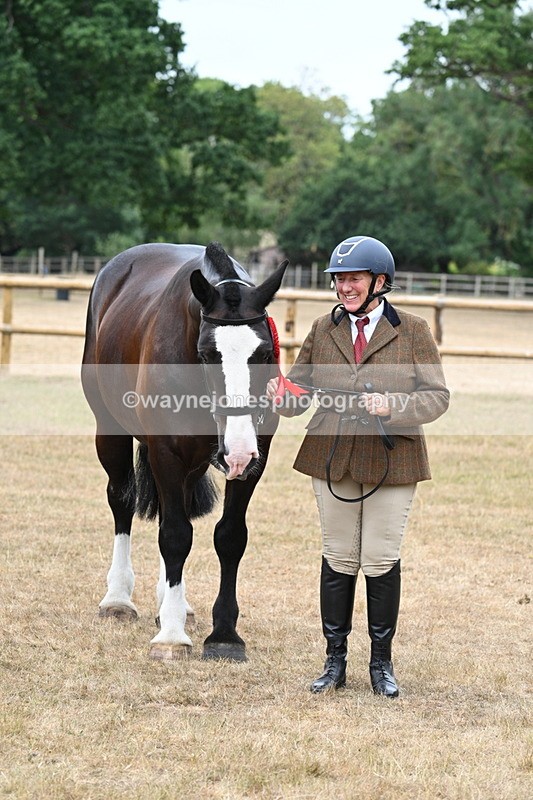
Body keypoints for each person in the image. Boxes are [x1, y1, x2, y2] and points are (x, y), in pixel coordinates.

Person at [267, 235, 449, 697]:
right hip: (332, 455)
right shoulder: (321, 329)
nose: (345, 287)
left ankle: (381, 664)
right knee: (339, 558)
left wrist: (392, 405)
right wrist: (280, 394)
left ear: (379, 281)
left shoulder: (412, 330)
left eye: (354, 279)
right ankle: (334, 661)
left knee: (380, 559)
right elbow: (299, 395)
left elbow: (437, 397)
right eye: (340, 280)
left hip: (393, 457)